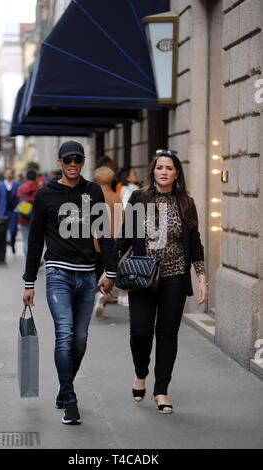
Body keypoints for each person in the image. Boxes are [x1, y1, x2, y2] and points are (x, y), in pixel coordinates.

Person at [22, 141, 118, 425]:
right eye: (68, 160)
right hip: (58, 274)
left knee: (80, 338)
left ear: (83, 161)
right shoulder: (44, 195)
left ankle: (64, 387)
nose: (73, 164)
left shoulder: (93, 191)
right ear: (60, 162)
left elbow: (105, 233)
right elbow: (35, 240)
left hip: (87, 275)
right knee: (64, 334)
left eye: (77, 159)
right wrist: (29, 281)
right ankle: (71, 399)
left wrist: (110, 271)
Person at [116, 149, 208, 414]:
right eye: (159, 168)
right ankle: (141, 373)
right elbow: (125, 238)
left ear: (176, 173)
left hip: (175, 277)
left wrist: (202, 278)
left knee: (167, 334)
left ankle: (161, 390)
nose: (164, 172)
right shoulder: (138, 198)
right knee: (140, 332)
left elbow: (195, 243)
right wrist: (109, 271)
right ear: (153, 171)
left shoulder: (186, 203)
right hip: (144, 276)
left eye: (169, 168)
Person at [92, 166, 123, 317]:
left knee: (94, 270)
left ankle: (98, 294)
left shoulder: (91, 196)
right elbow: (120, 223)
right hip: (110, 243)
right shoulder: (116, 198)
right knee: (107, 271)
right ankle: (103, 293)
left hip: (92, 240)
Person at [116, 166, 141, 306]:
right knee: (128, 259)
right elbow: (126, 210)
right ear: (128, 177)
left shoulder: (128, 188)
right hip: (130, 230)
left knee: (127, 259)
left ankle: (123, 292)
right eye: (134, 173)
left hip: (128, 229)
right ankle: (124, 292)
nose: (137, 174)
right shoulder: (129, 189)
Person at [0, 168, 20, 254]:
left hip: (13, 211)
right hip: (2, 211)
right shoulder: (0, 185)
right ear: (4, 174)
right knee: (2, 231)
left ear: (13, 174)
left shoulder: (17, 184)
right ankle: (3, 248)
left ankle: (12, 243)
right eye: (7, 173)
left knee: (13, 230)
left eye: (10, 173)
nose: (8, 175)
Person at [16, 169, 40, 256]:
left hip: (23, 216)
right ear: (35, 177)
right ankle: (35, 258)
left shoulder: (20, 188)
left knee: (26, 238)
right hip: (37, 216)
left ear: (26, 177)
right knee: (36, 240)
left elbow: (18, 199)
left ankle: (29, 258)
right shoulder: (39, 188)